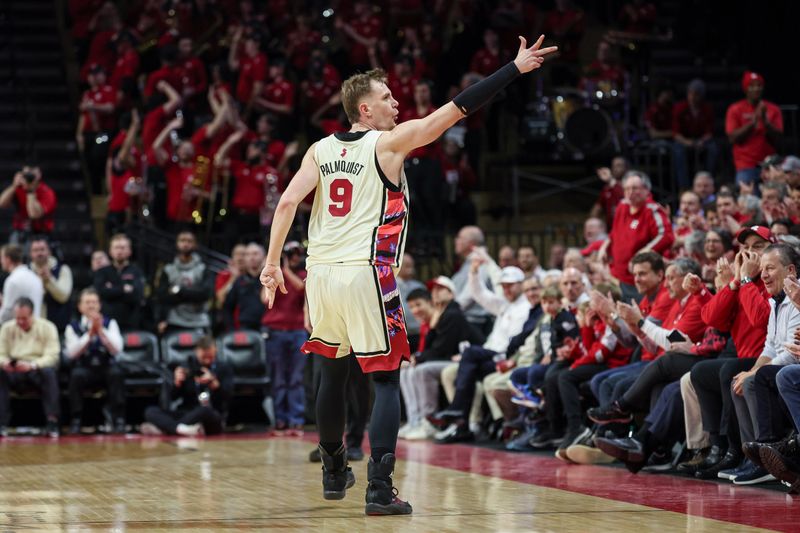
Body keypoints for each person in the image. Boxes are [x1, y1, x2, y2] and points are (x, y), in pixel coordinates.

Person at [260, 35, 556, 515]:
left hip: (320, 275)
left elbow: (289, 202)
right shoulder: (390, 142)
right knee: (384, 381)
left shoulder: (318, 150)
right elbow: (455, 110)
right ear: (364, 110)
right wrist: (513, 70)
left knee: (331, 375)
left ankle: (334, 469)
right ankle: (380, 489)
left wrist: (272, 264)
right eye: (386, 97)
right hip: (365, 274)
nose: (396, 102)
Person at [598, 170, 674, 301]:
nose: (630, 192)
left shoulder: (652, 209)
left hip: (639, 281)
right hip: (616, 276)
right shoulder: (622, 206)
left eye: (635, 188)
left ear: (646, 190)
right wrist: (604, 247)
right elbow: (614, 232)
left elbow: (667, 236)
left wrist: (645, 251)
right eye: (627, 188)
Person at [141, 336, 233, 436]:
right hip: (187, 413)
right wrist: (177, 383)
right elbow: (172, 397)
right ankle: (182, 429)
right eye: (204, 357)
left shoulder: (224, 368)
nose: (207, 361)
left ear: (216, 350)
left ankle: (168, 428)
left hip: (211, 415)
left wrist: (214, 384)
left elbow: (228, 398)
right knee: (150, 411)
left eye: (210, 357)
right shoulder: (187, 367)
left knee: (205, 410)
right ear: (196, 351)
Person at [262, 241, 308, 435]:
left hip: (297, 330)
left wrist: (286, 270)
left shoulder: (305, 275)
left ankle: (296, 420)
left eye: (298, 253)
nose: (295, 257)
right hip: (275, 331)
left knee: (296, 378)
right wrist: (276, 271)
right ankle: (280, 420)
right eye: (291, 253)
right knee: (279, 378)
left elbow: (300, 289)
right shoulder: (273, 273)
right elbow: (264, 299)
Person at [64, 288, 125, 434]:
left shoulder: (110, 323)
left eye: (94, 302)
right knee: (76, 376)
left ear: (100, 305)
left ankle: (118, 419)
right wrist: (89, 335)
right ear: (79, 306)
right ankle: (76, 420)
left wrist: (101, 332)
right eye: (87, 302)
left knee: (117, 373)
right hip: (84, 367)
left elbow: (117, 350)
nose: (91, 306)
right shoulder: (72, 327)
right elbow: (71, 354)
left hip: (105, 366)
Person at [0, 298, 61, 437]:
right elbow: (1, 353)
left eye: (24, 318)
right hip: (14, 369)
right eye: (18, 318)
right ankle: (1, 423)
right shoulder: (6, 328)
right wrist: (5, 363)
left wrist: (33, 365)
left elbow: (53, 355)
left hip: (36, 368)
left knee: (49, 372)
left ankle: (52, 421)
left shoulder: (48, 327)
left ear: (33, 314)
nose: (20, 322)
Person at [725, 71, 783, 187]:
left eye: (759, 85)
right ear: (745, 88)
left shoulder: (773, 109)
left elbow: (779, 137)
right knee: (746, 202)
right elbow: (732, 138)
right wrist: (753, 122)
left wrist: (766, 122)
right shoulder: (735, 109)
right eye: (752, 85)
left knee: (773, 200)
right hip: (745, 165)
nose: (756, 89)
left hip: (769, 166)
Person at [156, 231, 213, 335]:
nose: (185, 244)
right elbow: (162, 296)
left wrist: (178, 290)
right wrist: (193, 293)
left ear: (195, 244)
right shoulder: (168, 269)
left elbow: (205, 294)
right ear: (177, 244)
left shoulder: (203, 268)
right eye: (182, 240)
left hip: (199, 321)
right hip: (174, 321)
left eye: (189, 241)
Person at [671, 79, 717, 190]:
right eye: (690, 93)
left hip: (701, 140)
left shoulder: (707, 109)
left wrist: (702, 141)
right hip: (684, 140)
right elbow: (675, 133)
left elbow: (709, 132)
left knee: (713, 149)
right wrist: (687, 142)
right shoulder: (679, 108)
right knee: (678, 150)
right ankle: (684, 187)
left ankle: (707, 182)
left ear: (701, 96)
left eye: (696, 94)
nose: (692, 97)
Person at [93, 233, 145, 331]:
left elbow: (137, 295)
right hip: (107, 323)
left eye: (122, 248)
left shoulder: (137, 271)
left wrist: (112, 289)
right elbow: (101, 293)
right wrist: (124, 289)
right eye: (116, 248)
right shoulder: (102, 272)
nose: (119, 251)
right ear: (110, 251)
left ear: (129, 251)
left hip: (131, 323)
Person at [0, 166, 57, 244]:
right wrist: (14, 185)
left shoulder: (47, 192)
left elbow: (34, 214)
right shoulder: (19, 188)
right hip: (19, 231)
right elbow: (2, 203)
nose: (29, 177)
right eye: (27, 174)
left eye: (32, 173)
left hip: (40, 233)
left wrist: (30, 191)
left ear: (39, 174)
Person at [29, 238, 73, 333]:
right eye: (35, 250)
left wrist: (49, 280)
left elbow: (63, 296)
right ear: (30, 253)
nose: (39, 253)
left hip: (58, 327)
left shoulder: (63, 269)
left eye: (42, 249)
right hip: (32, 327)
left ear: (49, 251)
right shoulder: (26, 272)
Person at [223, 243, 266, 331]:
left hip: (270, 327)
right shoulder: (239, 281)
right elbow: (227, 307)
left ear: (264, 257)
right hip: (246, 327)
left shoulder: (270, 279)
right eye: (248, 254)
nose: (251, 257)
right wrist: (232, 330)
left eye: (255, 254)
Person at [0, 244, 43, 323]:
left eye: (1, 258)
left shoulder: (12, 280)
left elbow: (6, 315)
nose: (0, 261)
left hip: (19, 330)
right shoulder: (36, 278)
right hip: (36, 327)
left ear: (8, 259)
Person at [396, 253, 426, 350]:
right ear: (399, 265)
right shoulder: (389, 285)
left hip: (418, 333)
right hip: (398, 336)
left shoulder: (419, 286)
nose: (411, 269)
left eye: (412, 265)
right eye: (407, 265)